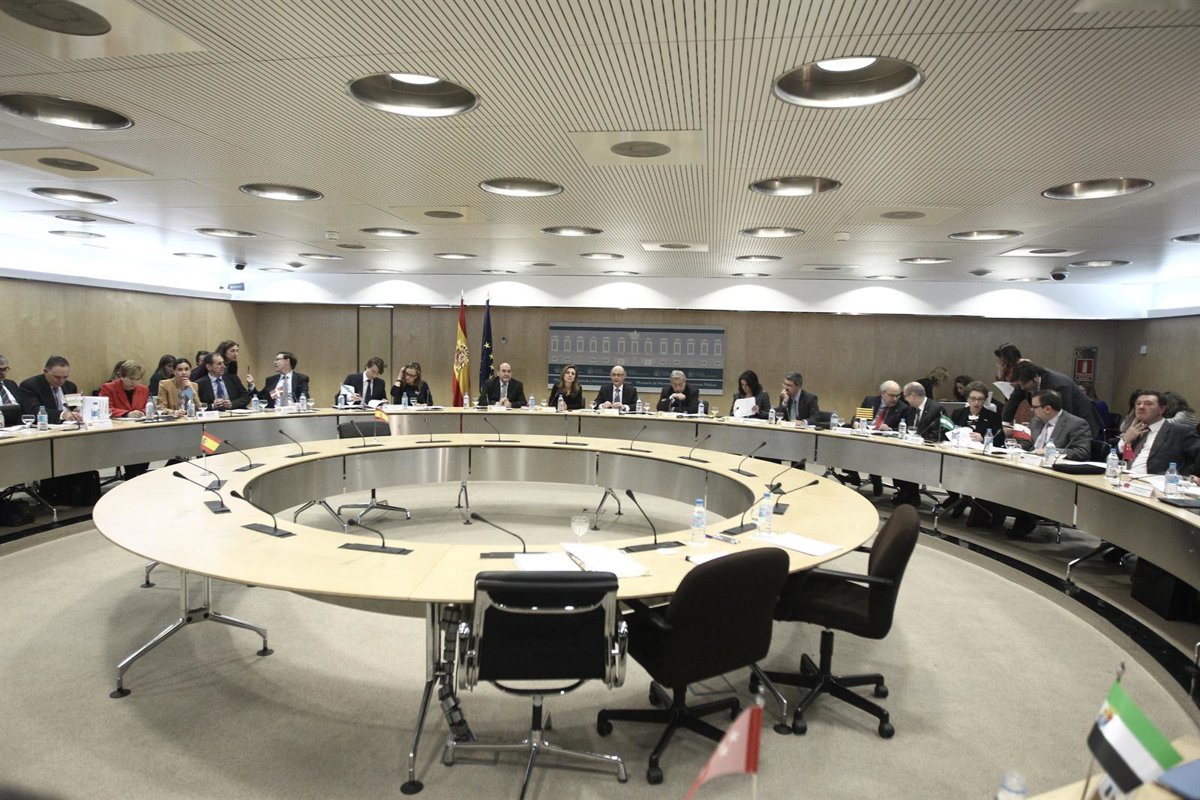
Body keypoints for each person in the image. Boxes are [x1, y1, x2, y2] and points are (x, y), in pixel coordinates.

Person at [1007, 390, 1095, 539]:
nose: (1032, 410)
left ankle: (1025, 522)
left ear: (1047, 409)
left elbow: (1082, 452)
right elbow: (1030, 444)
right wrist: (1019, 446)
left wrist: (1051, 452)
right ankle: (992, 516)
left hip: (1055, 475)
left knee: (1026, 483)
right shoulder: (1037, 421)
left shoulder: (1076, 424)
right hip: (1030, 466)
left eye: (1035, 407)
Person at [946, 381, 1006, 518]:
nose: (976, 402)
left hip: (980, 458)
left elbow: (1000, 440)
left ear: (985, 400)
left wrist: (983, 438)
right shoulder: (958, 413)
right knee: (945, 469)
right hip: (958, 454)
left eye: (980, 399)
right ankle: (956, 497)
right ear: (967, 399)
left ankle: (967, 500)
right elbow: (948, 433)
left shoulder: (993, 417)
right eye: (973, 398)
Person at [1004, 362, 1104, 438]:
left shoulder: (1059, 386)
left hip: (1082, 422)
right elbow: (1011, 404)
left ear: (1035, 378)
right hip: (1058, 423)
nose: (1022, 388)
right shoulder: (1023, 382)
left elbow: (1064, 415)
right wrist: (1005, 426)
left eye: (1024, 384)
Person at [1114, 391, 1200, 476]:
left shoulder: (1180, 431)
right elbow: (1113, 460)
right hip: (1124, 478)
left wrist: (1183, 476)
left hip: (1156, 481)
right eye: (1138, 403)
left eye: (1148, 404)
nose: (1141, 407)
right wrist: (1125, 440)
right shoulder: (1134, 430)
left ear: (1161, 410)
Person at [892, 382, 945, 507]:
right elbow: (904, 428)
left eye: (905, 396)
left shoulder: (936, 409)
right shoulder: (910, 409)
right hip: (910, 449)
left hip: (928, 451)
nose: (905, 400)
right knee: (895, 457)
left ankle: (910, 495)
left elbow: (939, 433)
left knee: (907, 461)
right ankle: (905, 493)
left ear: (913, 395)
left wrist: (919, 440)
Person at [18, 356, 82, 424]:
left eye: (65, 377)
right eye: (57, 377)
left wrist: (79, 410)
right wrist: (62, 414)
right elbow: (34, 411)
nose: (62, 381)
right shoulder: (30, 386)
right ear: (45, 372)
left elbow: (74, 408)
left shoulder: (70, 386)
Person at [0, 354, 21, 426]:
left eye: (5, 369)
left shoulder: (11, 384)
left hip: (17, 425)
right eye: (0, 369)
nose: (3, 373)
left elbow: (22, 406)